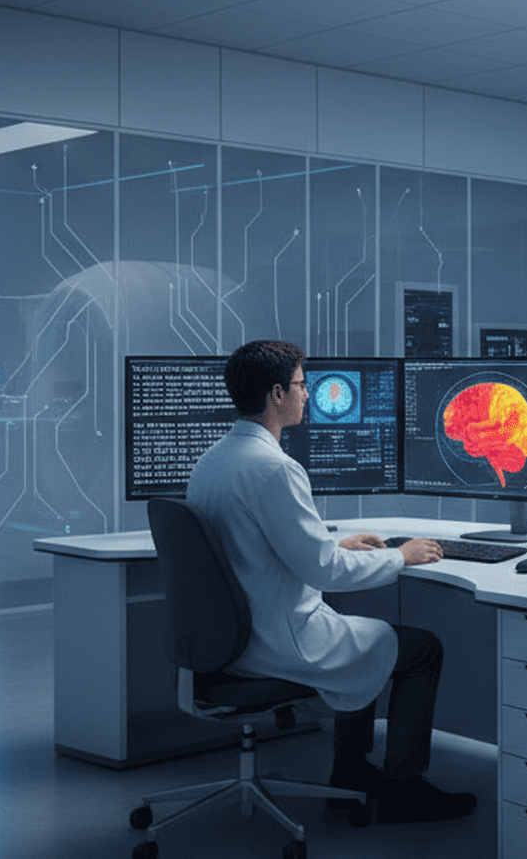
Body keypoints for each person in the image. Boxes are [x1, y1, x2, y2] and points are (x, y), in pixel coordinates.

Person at [186, 339, 474, 824]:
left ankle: (352, 773)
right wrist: (401, 557)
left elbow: (253, 547)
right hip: (278, 642)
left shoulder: (212, 461)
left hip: (229, 640)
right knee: (420, 649)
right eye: (301, 384)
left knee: (358, 636)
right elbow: (324, 572)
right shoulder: (276, 468)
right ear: (276, 394)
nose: (307, 393)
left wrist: (333, 545)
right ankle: (403, 787)